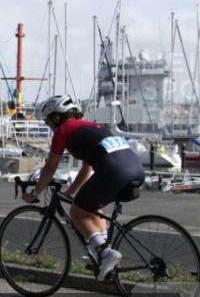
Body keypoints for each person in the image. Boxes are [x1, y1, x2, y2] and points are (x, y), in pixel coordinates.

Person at [23, 95, 146, 280]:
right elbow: (87, 168)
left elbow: (50, 167)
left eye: (48, 121)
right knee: (92, 208)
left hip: (114, 170)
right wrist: (70, 192)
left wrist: (36, 193)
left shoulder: (63, 131)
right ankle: (103, 253)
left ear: (57, 117)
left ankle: (106, 254)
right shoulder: (92, 127)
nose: (48, 126)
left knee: (77, 212)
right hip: (136, 168)